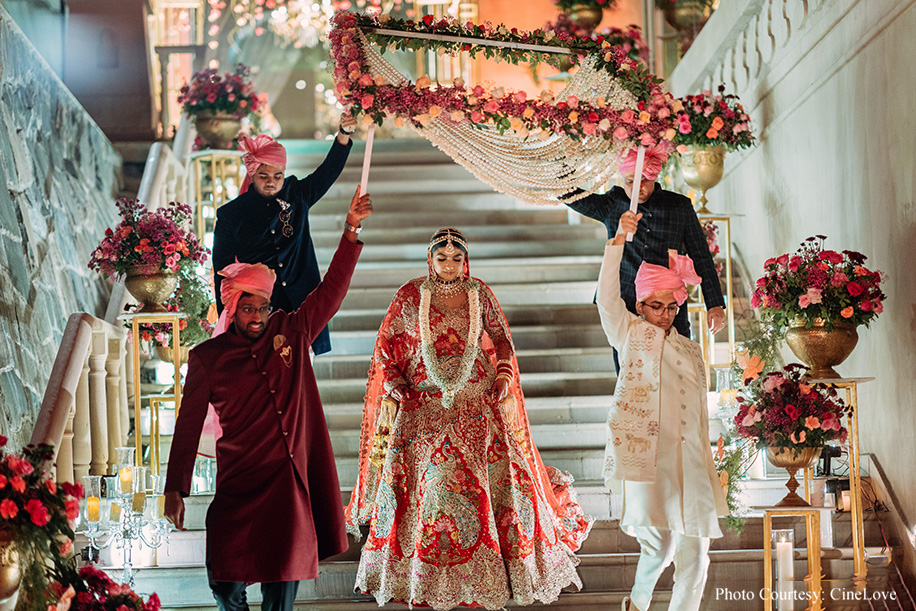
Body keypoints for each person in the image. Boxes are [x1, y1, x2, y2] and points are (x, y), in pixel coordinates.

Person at [344, 228, 594, 611]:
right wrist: (394, 383)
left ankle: (486, 577)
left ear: (466, 260)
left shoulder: (480, 293)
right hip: (422, 411)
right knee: (428, 496)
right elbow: (386, 347)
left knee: (486, 490)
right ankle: (422, 578)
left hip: (477, 408)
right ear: (430, 259)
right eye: (441, 259)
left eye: (456, 259)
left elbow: (502, 339)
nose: (448, 266)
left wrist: (504, 374)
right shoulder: (410, 296)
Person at [163, 187, 373, 611]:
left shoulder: (293, 331)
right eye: (248, 308)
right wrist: (175, 489)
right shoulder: (207, 358)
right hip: (237, 487)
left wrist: (351, 229)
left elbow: (330, 293)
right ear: (233, 307)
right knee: (224, 586)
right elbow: (187, 428)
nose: (257, 316)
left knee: (280, 598)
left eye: (262, 306)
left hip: (287, 492)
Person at [596, 210, 728, 611]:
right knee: (659, 546)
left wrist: (708, 458)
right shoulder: (630, 334)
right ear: (640, 304)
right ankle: (637, 605)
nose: (666, 315)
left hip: (691, 460)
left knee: (697, 556)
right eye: (657, 306)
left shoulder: (690, 348)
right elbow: (606, 296)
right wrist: (618, 240)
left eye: (672, 308)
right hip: (649, 460)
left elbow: (699, 412)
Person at [212, 111, 358, 356]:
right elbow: (222, 274)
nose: (271, 182)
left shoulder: (297, 195)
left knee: (303, 379)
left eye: (277, 176)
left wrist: (343, 134)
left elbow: (327, 173)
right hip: (260, 311)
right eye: (264, 176)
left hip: (304, 304)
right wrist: (228, 326)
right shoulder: (231, 215)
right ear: (252, 175)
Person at [563, 144, 726, 361]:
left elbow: (702, 256)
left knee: (680, 365)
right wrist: (564, 153)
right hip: (626, 305)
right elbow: (567, 193)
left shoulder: (679, 206)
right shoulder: (613, 204)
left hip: (670, 305)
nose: (637, 188)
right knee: (629, 371)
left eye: (643, 181)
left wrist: (714, 304)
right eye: (630, 181)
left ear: (654, 177)